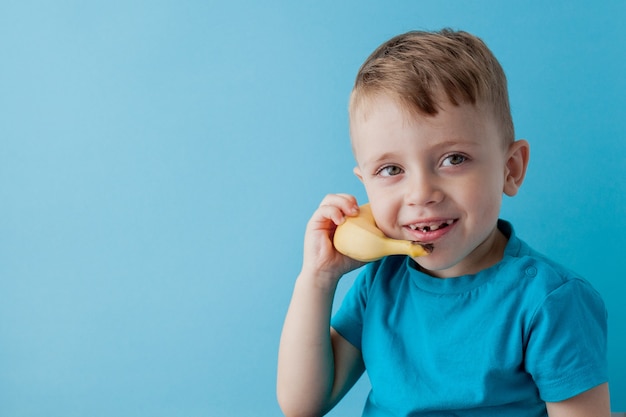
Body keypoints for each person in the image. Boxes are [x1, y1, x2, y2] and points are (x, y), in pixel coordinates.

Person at [276, 29, 610, 417]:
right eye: (391, 169)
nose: (421, 193)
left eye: (453, 159)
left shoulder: (550, 301)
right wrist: (317, 279)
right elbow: (303, 405)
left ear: (510, 169)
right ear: (365, 185)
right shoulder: (380, 283)